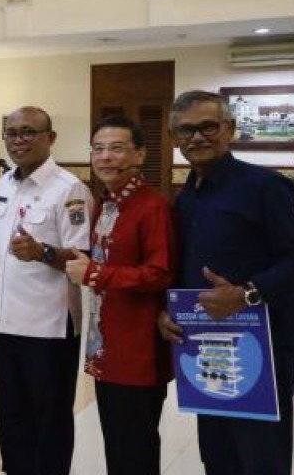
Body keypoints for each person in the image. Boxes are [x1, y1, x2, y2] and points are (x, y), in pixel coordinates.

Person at [157, 90, 294, 475]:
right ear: (174, 139)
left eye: (208, 127)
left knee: (261, 458)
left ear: (230, 128)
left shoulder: (265, 187)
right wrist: (169, 310)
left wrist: (247, 294)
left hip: (262, 349)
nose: (196, 137)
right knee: (217, 455)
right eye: (186, 130)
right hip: (205, 351)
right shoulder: (187, 198)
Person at [0, 105, 93, 475]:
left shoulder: (68, 188)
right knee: (11, 418)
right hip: (7, 324)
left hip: (49, 328)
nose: (18, 140)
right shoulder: (5, 182)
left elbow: (81, 258)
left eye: (28, 132)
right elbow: (8, 249)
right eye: (11, 132)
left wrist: (41, 252)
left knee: (50, 421)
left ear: (50, 138)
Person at [64, 115, 175, 475]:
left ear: (140, 154)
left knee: (134, 445)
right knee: (117, 441)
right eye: (98, 149)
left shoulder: (151, 205)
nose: (105, 157)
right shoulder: (107, 203)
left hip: (138, 350)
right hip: (107, 345)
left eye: (116, 148)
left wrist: (96, 273)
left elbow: (159, 273)